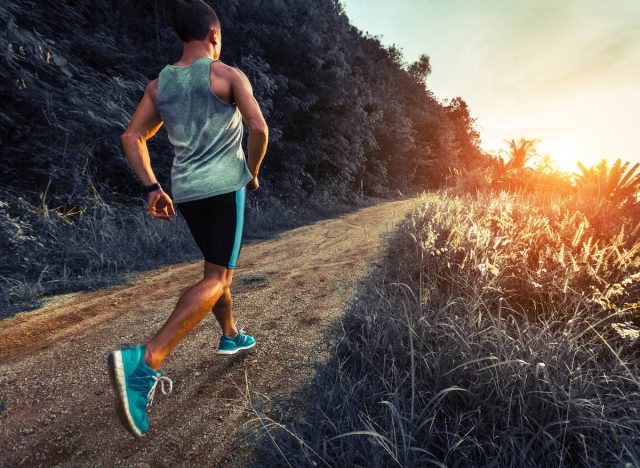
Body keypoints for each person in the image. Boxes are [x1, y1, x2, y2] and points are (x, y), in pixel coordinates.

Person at [107, 0, 269, 438]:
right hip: (223, 188)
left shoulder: (160, 86)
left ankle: (231, 335)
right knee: (218, 277)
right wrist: (251, 174)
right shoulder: (227, 75)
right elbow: (258, 128)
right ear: (213, 34)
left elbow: (132, 135)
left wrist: (152, 187)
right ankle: (146, 360)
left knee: (215, 269)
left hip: (186, 192)